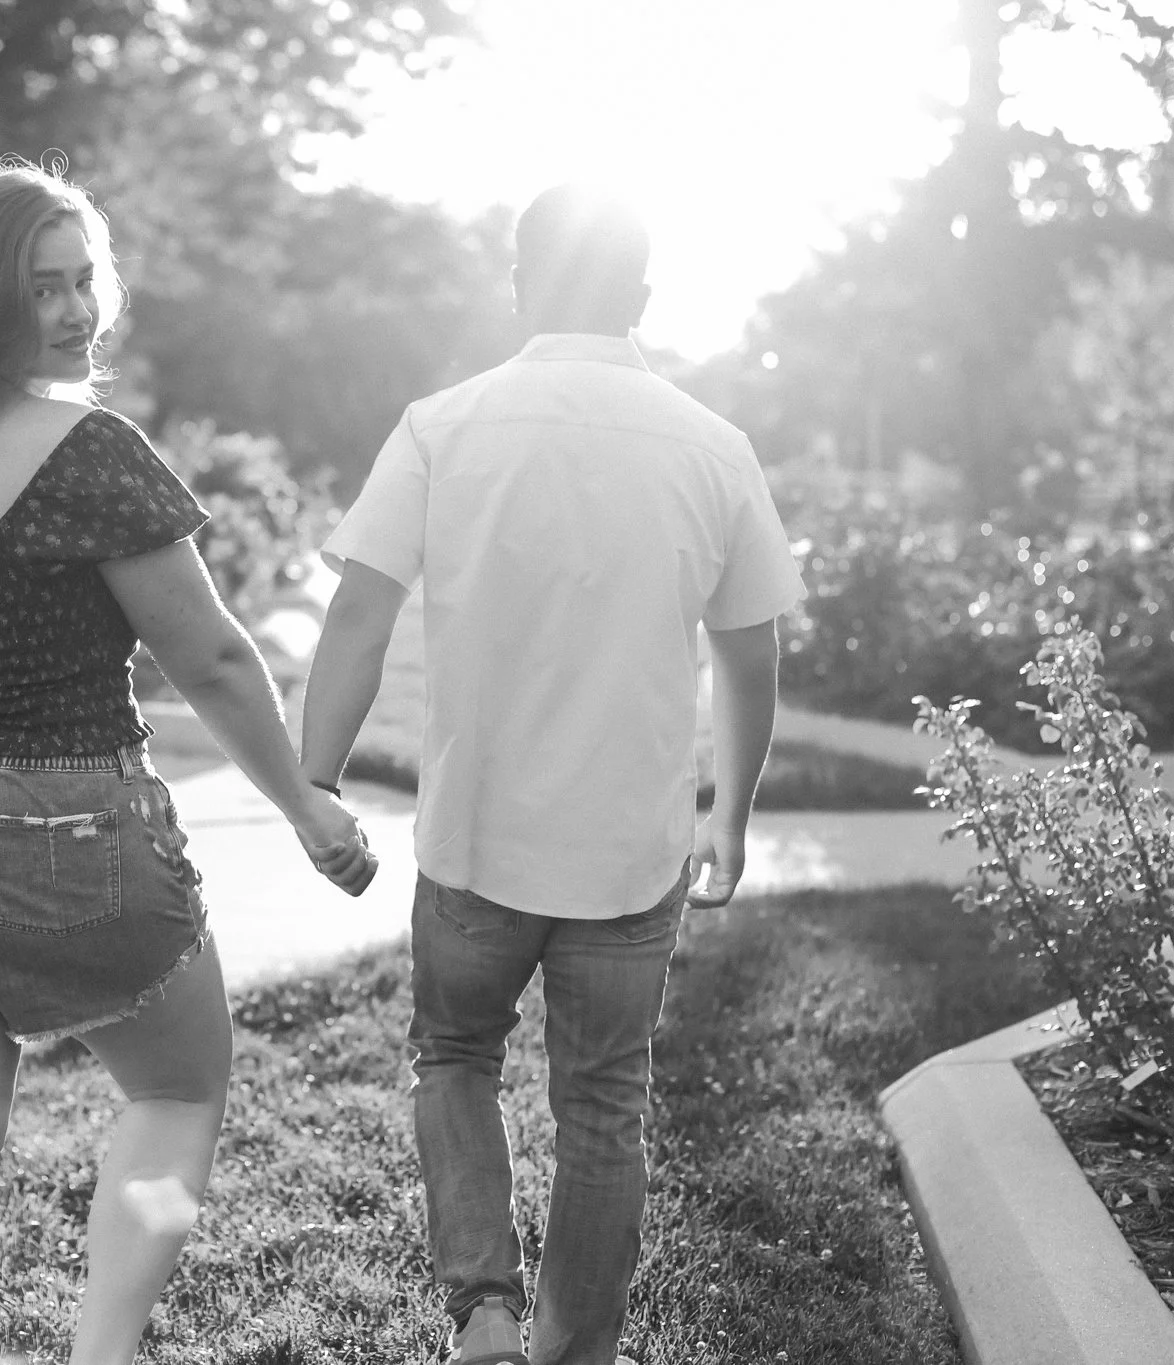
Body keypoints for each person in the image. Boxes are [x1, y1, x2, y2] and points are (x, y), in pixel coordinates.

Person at [0, 160, 376, 1365]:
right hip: (62, 824)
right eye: (41, 290)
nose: (74, 313)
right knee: (175, 1097)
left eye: (84, 283)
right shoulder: (85, 450)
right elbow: (213, 659)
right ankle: (102, 1356)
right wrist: (308, 810)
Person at [298, 182, 804, 1365]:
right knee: (602, 1111)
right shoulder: (712, 446)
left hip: (474, 839)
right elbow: (749, 655)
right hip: (629, 857)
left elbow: (359, 612)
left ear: (519, 286)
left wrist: (315, 775)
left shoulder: (442, 424)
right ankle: (574, 1353)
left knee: (455, 1057)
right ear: (642, 299)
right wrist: (729, 812)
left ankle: (483, 1310)